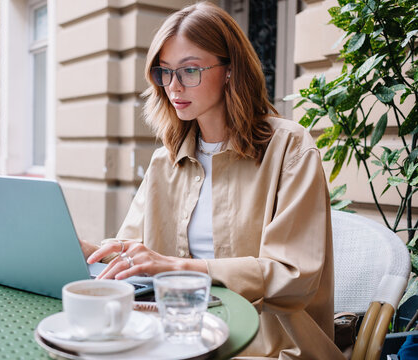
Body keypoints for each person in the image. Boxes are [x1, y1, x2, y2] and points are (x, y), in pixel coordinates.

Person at [82, 2, 345, 359]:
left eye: (189, 70)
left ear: (230, 70)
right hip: (183, 338)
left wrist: (180, 267)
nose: (174, 86)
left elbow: (294, 277)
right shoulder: (166, 160)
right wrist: (80, 249)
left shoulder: (289, 148)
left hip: (270, 349)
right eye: (165, 72)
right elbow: (132, 251)